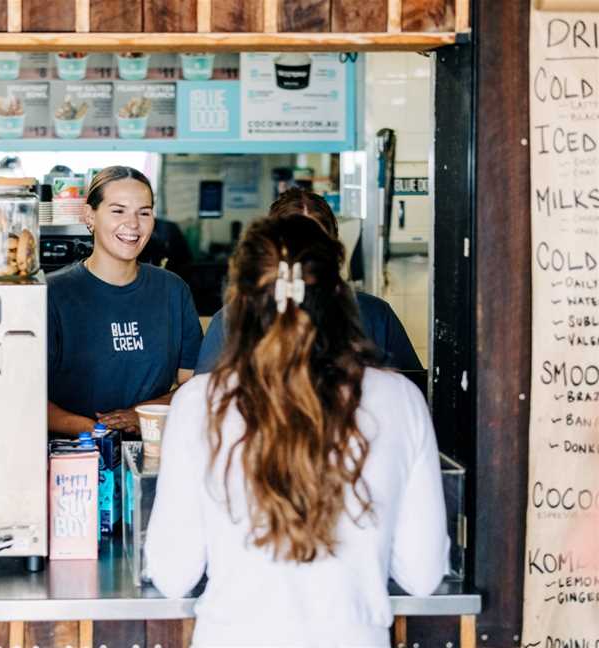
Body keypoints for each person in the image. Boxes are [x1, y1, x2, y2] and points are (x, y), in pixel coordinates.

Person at [145, 213, 448, 647]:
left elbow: (174, 574)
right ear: (340, 293)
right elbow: (421, 575)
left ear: (240, 300)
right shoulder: (399, 399)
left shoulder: (200, 402)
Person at [195, 188, 422, 375]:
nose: (305, 256)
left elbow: (413, 391)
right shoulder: (231, 321)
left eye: (316, 244)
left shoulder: (375, 315)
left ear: (334, 246)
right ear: (271, 247)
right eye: (295, 243)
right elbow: (204, 405)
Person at [47, 166, 202, 435]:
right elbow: (25, 392)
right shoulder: (52, 294)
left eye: (144, 212)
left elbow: (194, 385)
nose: (133, 224)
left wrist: (141, 414)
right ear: (89, 215)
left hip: (154, 450)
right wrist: (96, 430)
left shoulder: (173, 290)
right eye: (118, 211)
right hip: (70, 455)